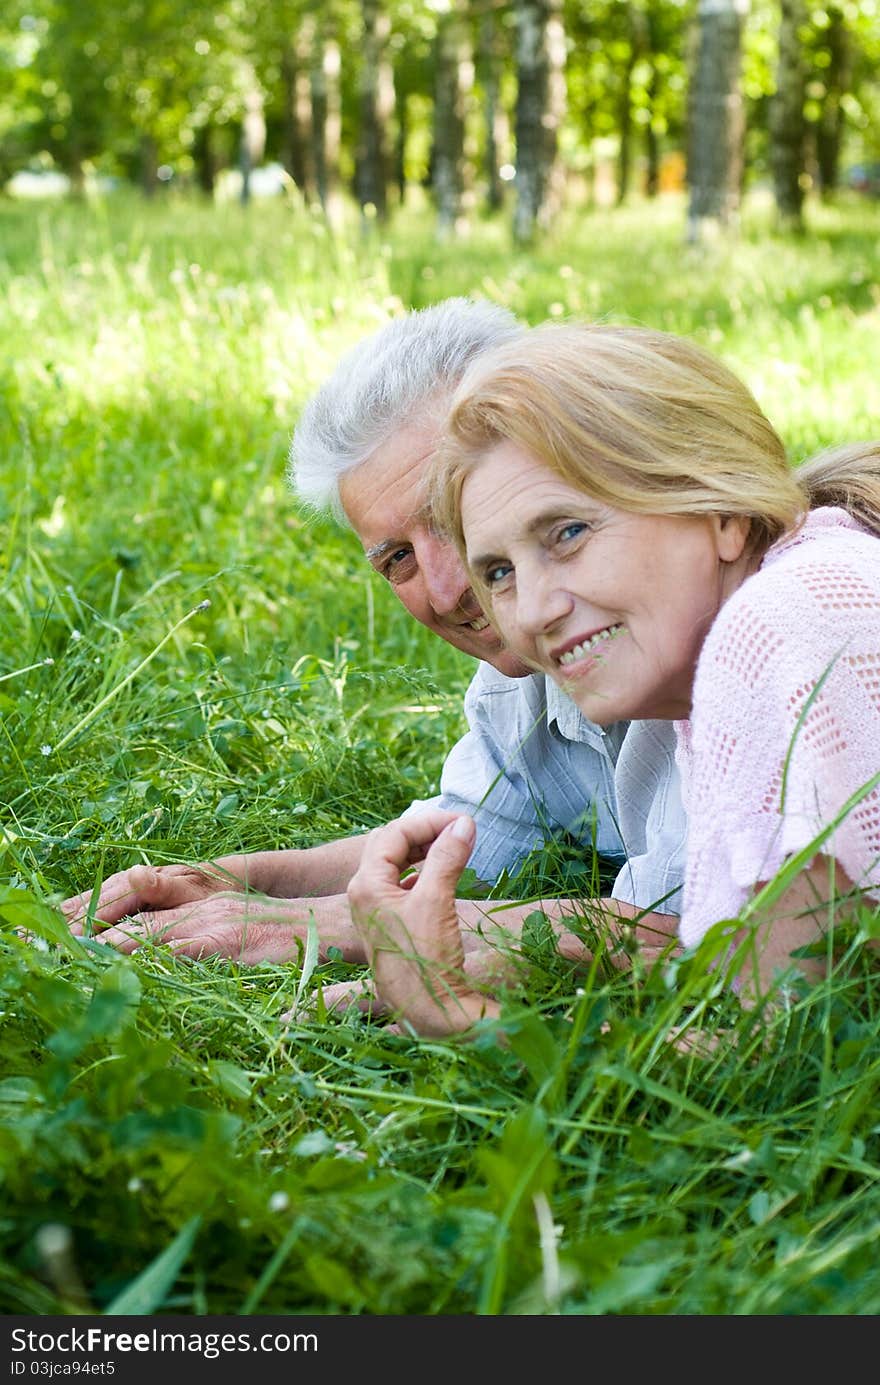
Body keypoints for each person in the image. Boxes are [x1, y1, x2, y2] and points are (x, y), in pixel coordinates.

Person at [61, 301, 687, 997]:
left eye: (451, 514)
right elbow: (468, 839)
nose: (448, 589)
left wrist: (325, 926)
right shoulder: (520, 668)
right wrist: (242, 881)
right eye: (397, 558)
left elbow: (703, 939)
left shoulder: (701, 637)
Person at [347, 321, 880, 1036]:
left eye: (567, 532)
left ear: (718, 508)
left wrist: (460, 1017)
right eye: (500, 571)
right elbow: (750, 994)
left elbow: (768, 1057)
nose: (532, 611)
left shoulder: (781, 625)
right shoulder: (752, 628)